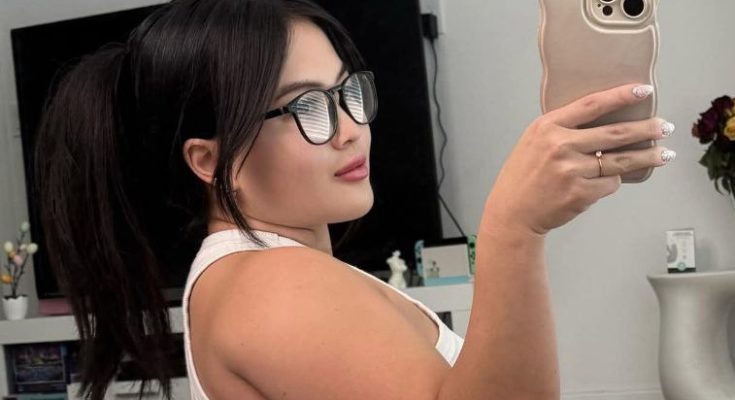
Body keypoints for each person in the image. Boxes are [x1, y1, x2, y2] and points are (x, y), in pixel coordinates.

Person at [34, 0, 676, 399]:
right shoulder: (269, 284)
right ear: (209, 160)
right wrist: (513, 227)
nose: (350, 127)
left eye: (348, 92)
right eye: (307, 107)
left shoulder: (267, 273)